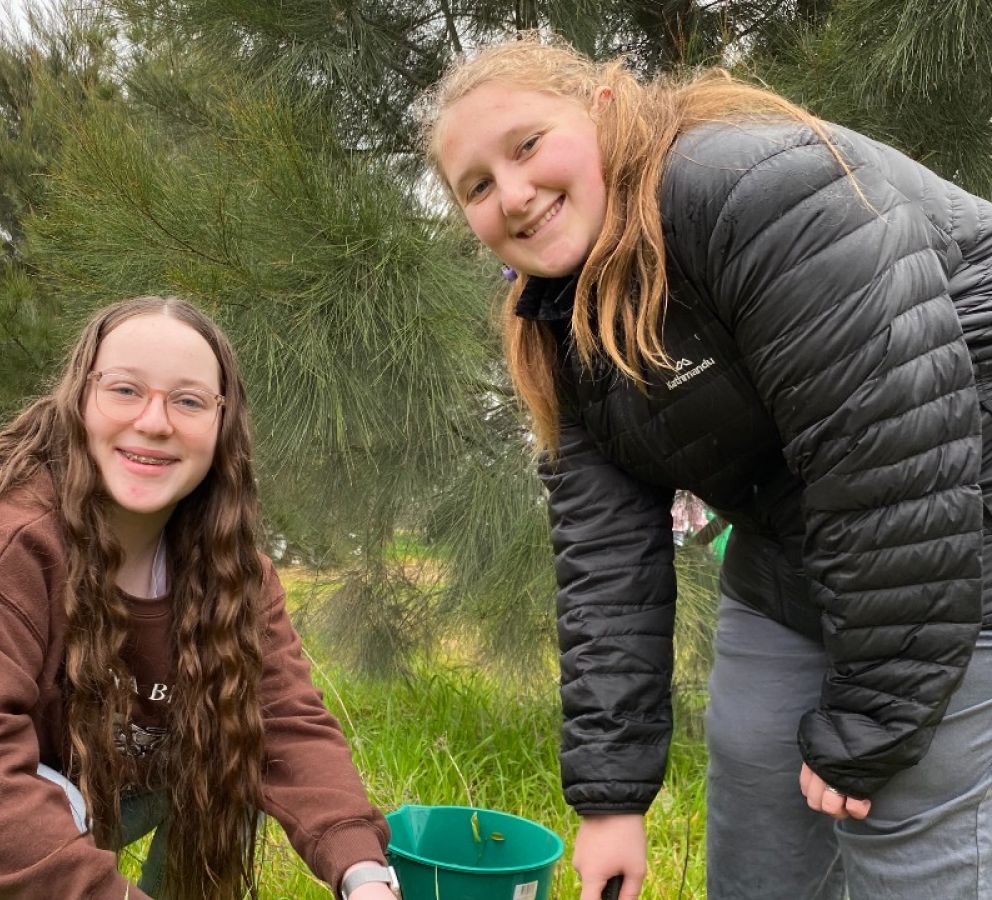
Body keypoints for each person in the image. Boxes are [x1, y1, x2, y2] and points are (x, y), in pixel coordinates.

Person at [420, 35, 992, 900]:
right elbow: (605, 554)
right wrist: (611, 802)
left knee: (904, 834)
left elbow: (891, 451)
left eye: (527, 145)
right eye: (478, 187)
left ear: (605, 110)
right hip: (804, 540)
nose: (515, 194)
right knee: (755, 804)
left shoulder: (748, 184)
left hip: (959, 523)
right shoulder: (561, 323)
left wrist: (874, 719)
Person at [0, 296, 399, 900]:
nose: (156, 421)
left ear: (222, 424)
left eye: (188, 400)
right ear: (80, 400)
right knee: (34, 812)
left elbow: (284, 723)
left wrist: (364, 872)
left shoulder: (231, 574)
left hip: (48, 783)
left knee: (232, 741)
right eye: (125, 390)